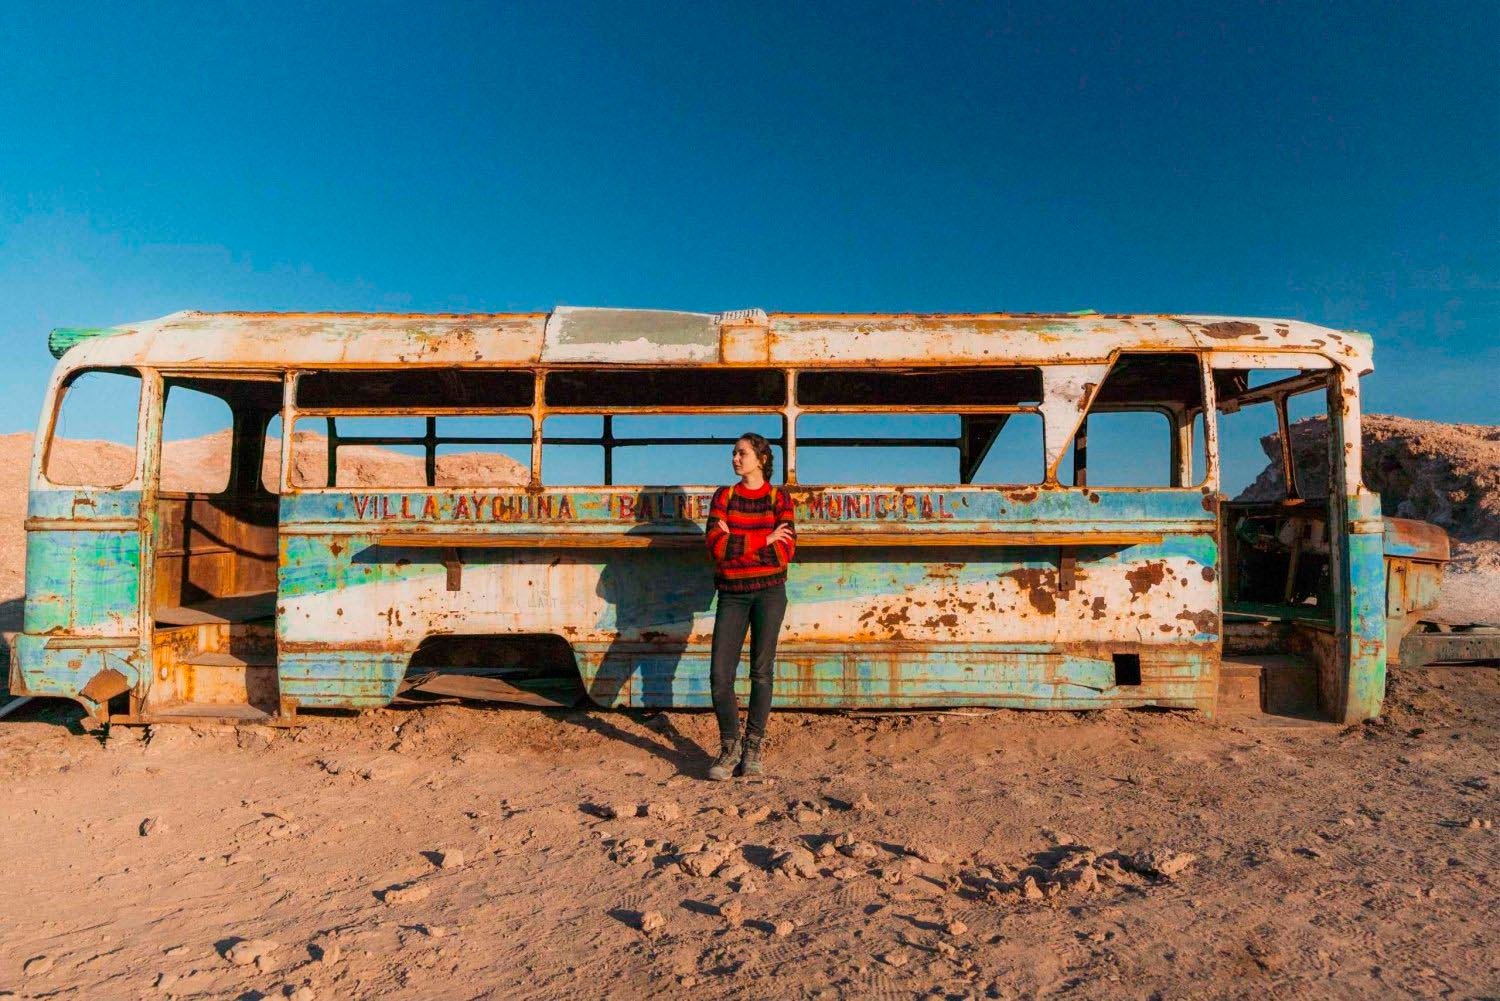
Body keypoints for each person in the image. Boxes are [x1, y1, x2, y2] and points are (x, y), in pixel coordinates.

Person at [703, 432, 795, 780]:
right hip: (732, 594)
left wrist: (736, 544)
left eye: (741, 453)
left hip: (770, 593)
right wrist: (762, 539)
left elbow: (784, 551)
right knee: (720, 675)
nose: (735, 459)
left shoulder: (778, 497)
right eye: (733, 453)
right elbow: (715, 546)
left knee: (761, 671)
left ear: (761, 458)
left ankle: (753, 748)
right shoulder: (724, 496)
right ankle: (730, 747)